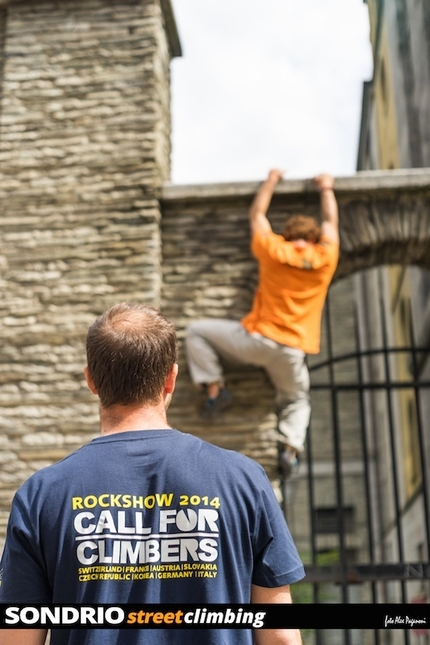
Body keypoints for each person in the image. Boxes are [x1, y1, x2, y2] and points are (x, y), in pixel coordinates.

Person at [0, 302, 305, 645]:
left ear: (91, 380)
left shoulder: (41, 496)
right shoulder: (243, 481)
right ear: (171, 378)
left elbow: (17, 640)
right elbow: (280, 637)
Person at [185, 170, 339, 478]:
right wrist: (326, 189)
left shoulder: (274, 250)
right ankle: (290, 447)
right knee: (296, 398)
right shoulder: (325, 257)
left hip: (257, 340)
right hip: (292, 350)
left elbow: (256, 214)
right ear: (313, 238)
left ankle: (215, 387)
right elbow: (332, 224)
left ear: (287, 234)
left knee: (196, 332)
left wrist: (270, 181)